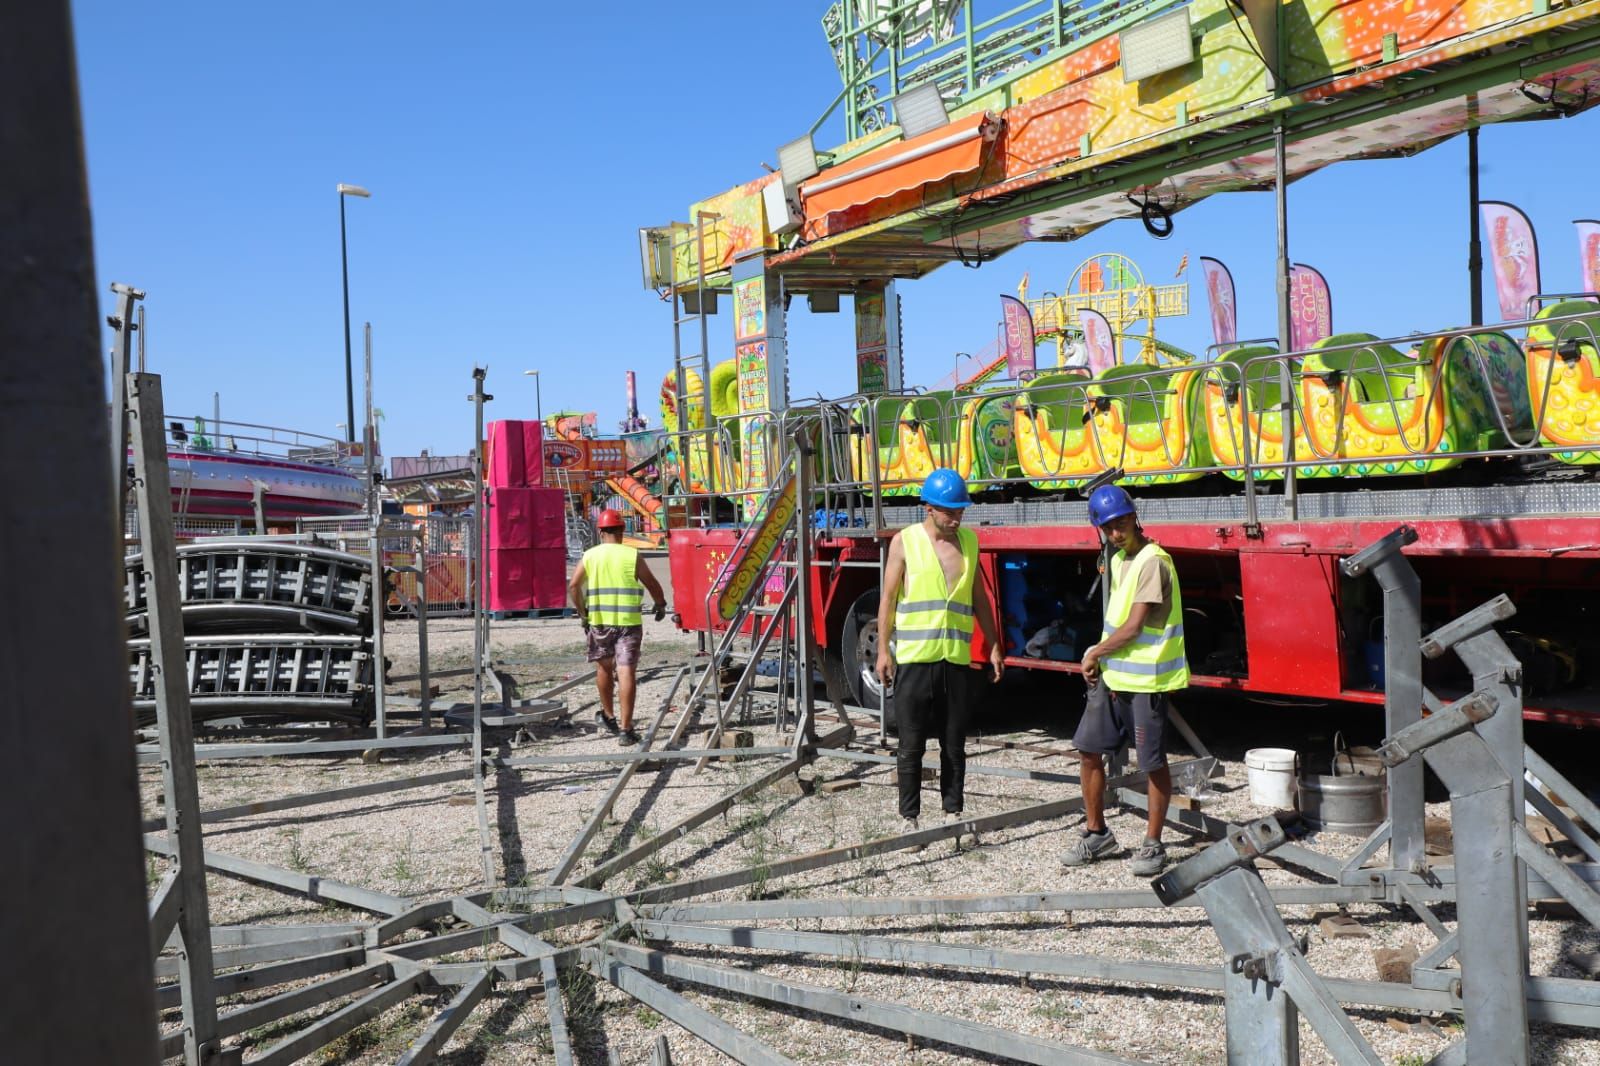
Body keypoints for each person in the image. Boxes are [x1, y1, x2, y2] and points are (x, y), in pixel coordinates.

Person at [1061, 485, 1189, 876]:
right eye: (1108, 527)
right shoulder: (1119, 559)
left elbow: (1134, 627)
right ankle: (1097, 832)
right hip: (1114, 677)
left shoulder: (1153, 561)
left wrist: (1093, 653)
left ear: (1134, 517)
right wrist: (1101, 659)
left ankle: (1153, 844)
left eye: (1121, 523)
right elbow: (1116, 620)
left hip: (1147, 682)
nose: (1116, 533)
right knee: (1088, 750)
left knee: (1152, 763)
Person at [875, 468, 1004, 851]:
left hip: (955, 659)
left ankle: (953, 814)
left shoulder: (969, 541)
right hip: (915, 659)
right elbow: (888, 598)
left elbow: (979, 596)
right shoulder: (905, 542)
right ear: (928, 508)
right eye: (950, 511)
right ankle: (910, 820)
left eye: (961, 510)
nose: (957, 517)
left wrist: (994, 644)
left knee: (953, 743)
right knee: (911, 744)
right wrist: (884, 649)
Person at [568, 509, 667, 745]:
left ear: (600, 531)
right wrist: (660, 604)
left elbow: (573, 586)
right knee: (626, 672)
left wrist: (583, 614)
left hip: (600, 622)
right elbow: (652, 584)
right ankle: (625, 729)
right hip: (628, 624)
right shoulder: (632, 555)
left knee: (603, 669)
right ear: (622, 531)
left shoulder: (590, 555)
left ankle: (609, 715)